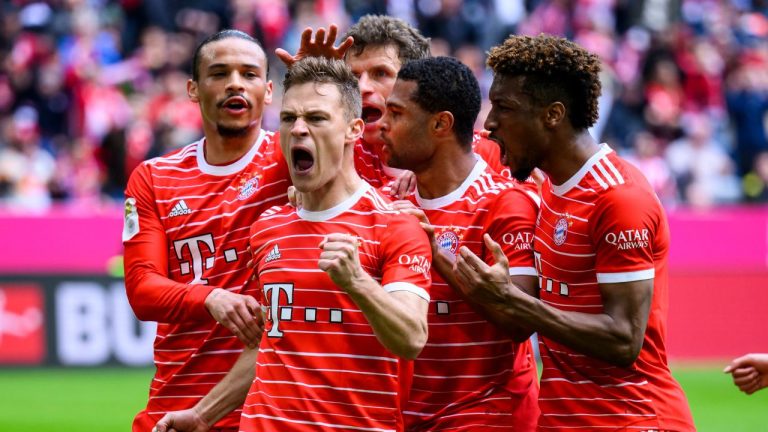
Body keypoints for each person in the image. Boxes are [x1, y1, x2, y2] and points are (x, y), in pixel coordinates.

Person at [154, 56, 433, 432]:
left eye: (316, 118)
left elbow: (412, 338)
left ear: (353, 129)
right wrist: (203, 414)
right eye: (289, 119)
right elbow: (270, 340)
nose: (299, 129)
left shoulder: (395, 225)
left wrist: (357, 282)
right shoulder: (268, 226)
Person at [454, 34, 696, 430]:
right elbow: (444, 138)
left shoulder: (619, 199)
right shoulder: (547, 181)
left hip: (632, 418)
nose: (491, 122)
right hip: (567, 419)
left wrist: (513, 301)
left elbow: (623, 340)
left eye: (504, 107)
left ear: (552, 115)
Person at [123, 29, 289, 431]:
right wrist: (210, 297)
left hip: (265, 411)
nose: (235, 82)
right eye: (220, 73)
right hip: (175, 402)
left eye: (249, 74)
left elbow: (353, 146)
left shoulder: (293, 160)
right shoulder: (154, 178)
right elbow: (143, 290)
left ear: (268, 91)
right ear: (193, 90)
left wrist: (322, 84)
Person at [381, 56, 540, 430]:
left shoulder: (504, 203)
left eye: (397, 114)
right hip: (406, 417)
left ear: (441, 124)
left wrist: (434, 254)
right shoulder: (388, 202)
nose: (383, 125)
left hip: (485, 414)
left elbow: (520, 322)